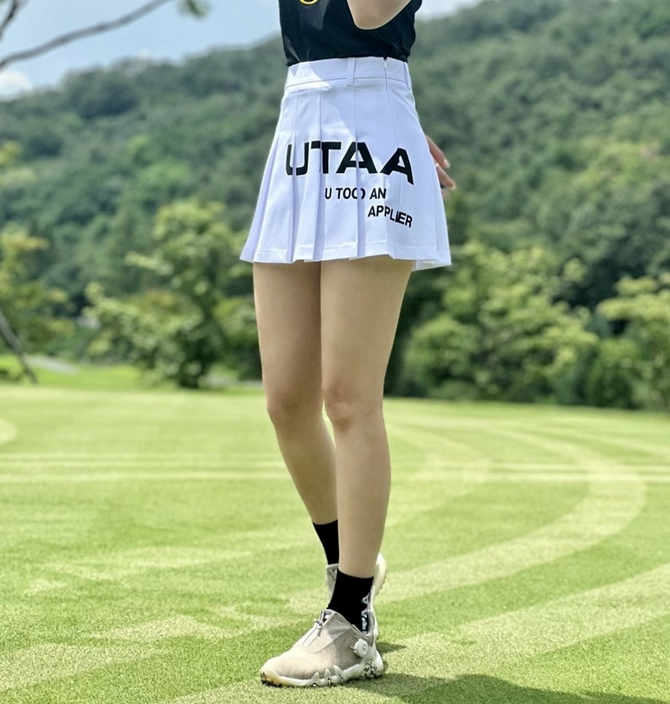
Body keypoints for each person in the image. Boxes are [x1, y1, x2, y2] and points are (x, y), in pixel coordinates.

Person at [239, 0, 455, 688]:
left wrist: (391, 118)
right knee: (287, 400)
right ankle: (350, 563)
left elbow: (365, 16)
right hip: (302, 128)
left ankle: (351, 623)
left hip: (373, 143)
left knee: (349, 397)